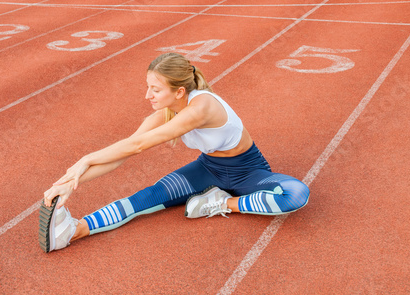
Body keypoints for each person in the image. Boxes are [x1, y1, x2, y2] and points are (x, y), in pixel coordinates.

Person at [39, 53, 310, 253]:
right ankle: (73, 231)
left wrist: (84, 159)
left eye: (155, 89)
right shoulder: (166, 113)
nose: (148, 96)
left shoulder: (202, 107)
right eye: (148, 88)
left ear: (179, 91)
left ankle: (219, 203)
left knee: (295, 195)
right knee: (145, 198)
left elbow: (138, 146)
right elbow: (124, 151)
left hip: (247, 172)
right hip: (207, 170)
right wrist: (68, 183)